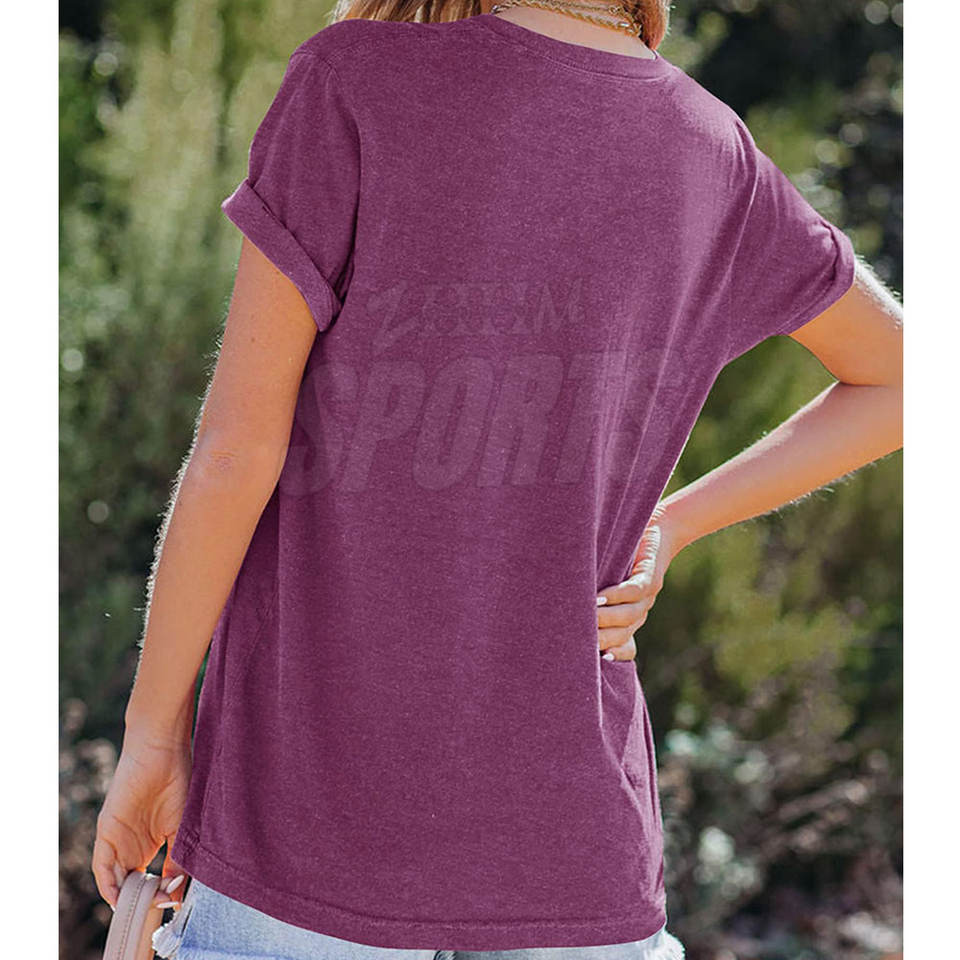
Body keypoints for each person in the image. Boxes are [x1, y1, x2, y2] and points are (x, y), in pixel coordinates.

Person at [90, 1, 903, 958]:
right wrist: (674, 525)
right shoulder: (711, 147)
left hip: (307, 832)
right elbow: (902, 379)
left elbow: (234, 453)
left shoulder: (357, 80)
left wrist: (153, 736)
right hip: (578, 854)